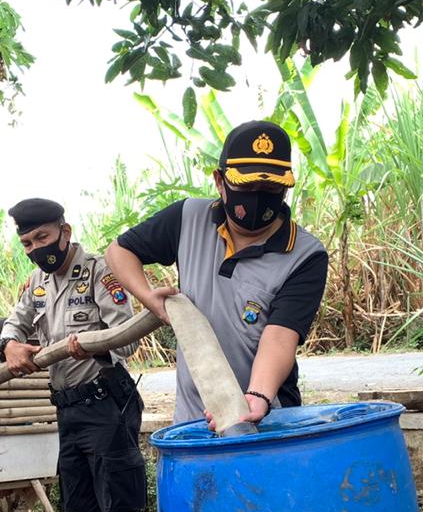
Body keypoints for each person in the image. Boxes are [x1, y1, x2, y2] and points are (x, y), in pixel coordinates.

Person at [0, 198, 153, 512]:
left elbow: (127, 333)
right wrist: (11, 343)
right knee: (83, 509)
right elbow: (17, 320)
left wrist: (93, 342)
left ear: (64, 230)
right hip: (67, 408)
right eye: (27, 242)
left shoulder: (100, 272)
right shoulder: (37, 282)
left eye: (42, 238)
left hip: (107, 401)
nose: (35, 248)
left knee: (119, 507)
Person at [105, 120, 329, 429]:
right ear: (220, 182)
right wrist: (148, 297)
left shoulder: (305, 255)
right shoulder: (188, 219)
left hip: (266, 419)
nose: (258, 197)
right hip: (194, 421)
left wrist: (257, 397)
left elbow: (279, 337)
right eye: (246, 187)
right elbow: (118, 251)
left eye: (270, 188)